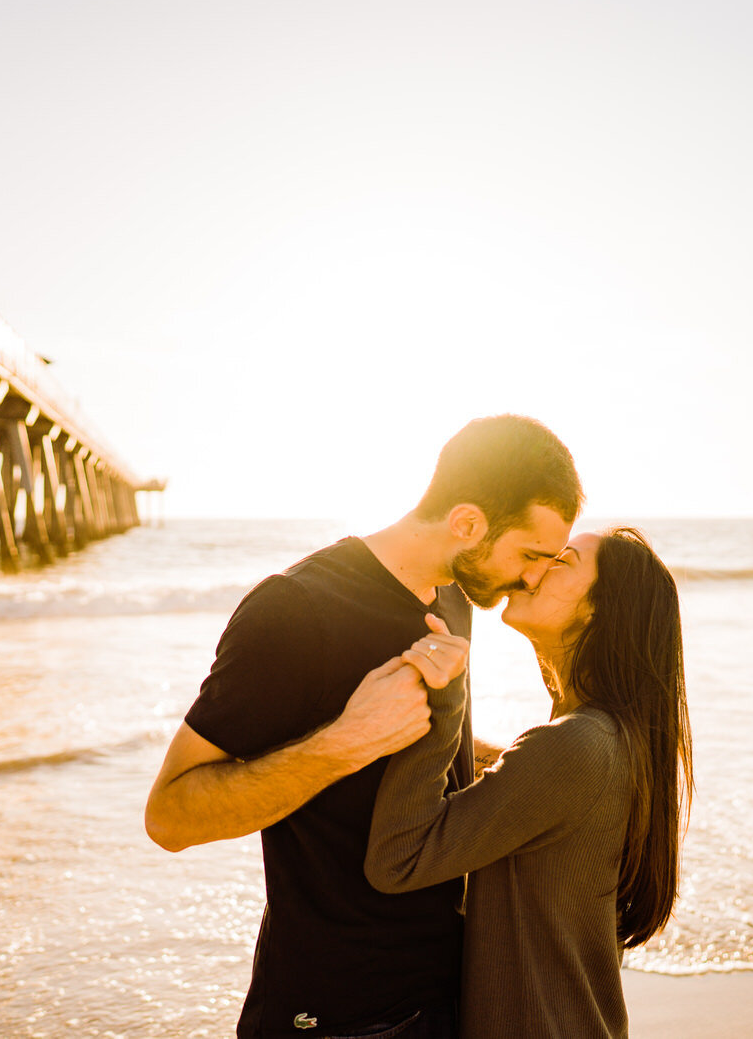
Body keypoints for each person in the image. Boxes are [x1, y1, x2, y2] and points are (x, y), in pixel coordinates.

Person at [143, 415, 582, 1039]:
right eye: (530, 554)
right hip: (331, 1012)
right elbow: (169, 816)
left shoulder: (452, 596)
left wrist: (524, 767)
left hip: (448, 990)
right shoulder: (294, 609)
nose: (534, 576)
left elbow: (421, 756)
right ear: (466, 523)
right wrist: (345, 743)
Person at [364, 527, 694, 1039]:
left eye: (561, 562)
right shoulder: (614, 739)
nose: (532, 568)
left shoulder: (573, 747)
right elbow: (527, 781)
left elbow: (398, 858)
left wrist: (445, 698)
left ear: (597, 612)